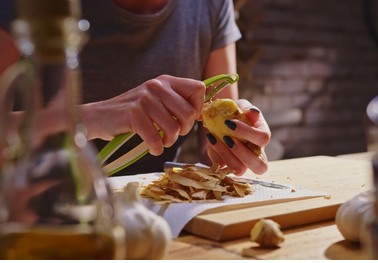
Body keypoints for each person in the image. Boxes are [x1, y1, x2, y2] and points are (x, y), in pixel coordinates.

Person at [0, 0, 270, 176]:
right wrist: (94, 118)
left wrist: (236, 139)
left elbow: (212, 150)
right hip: (34, 212)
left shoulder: (211, 6)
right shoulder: (34, 8)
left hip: (152, 212)